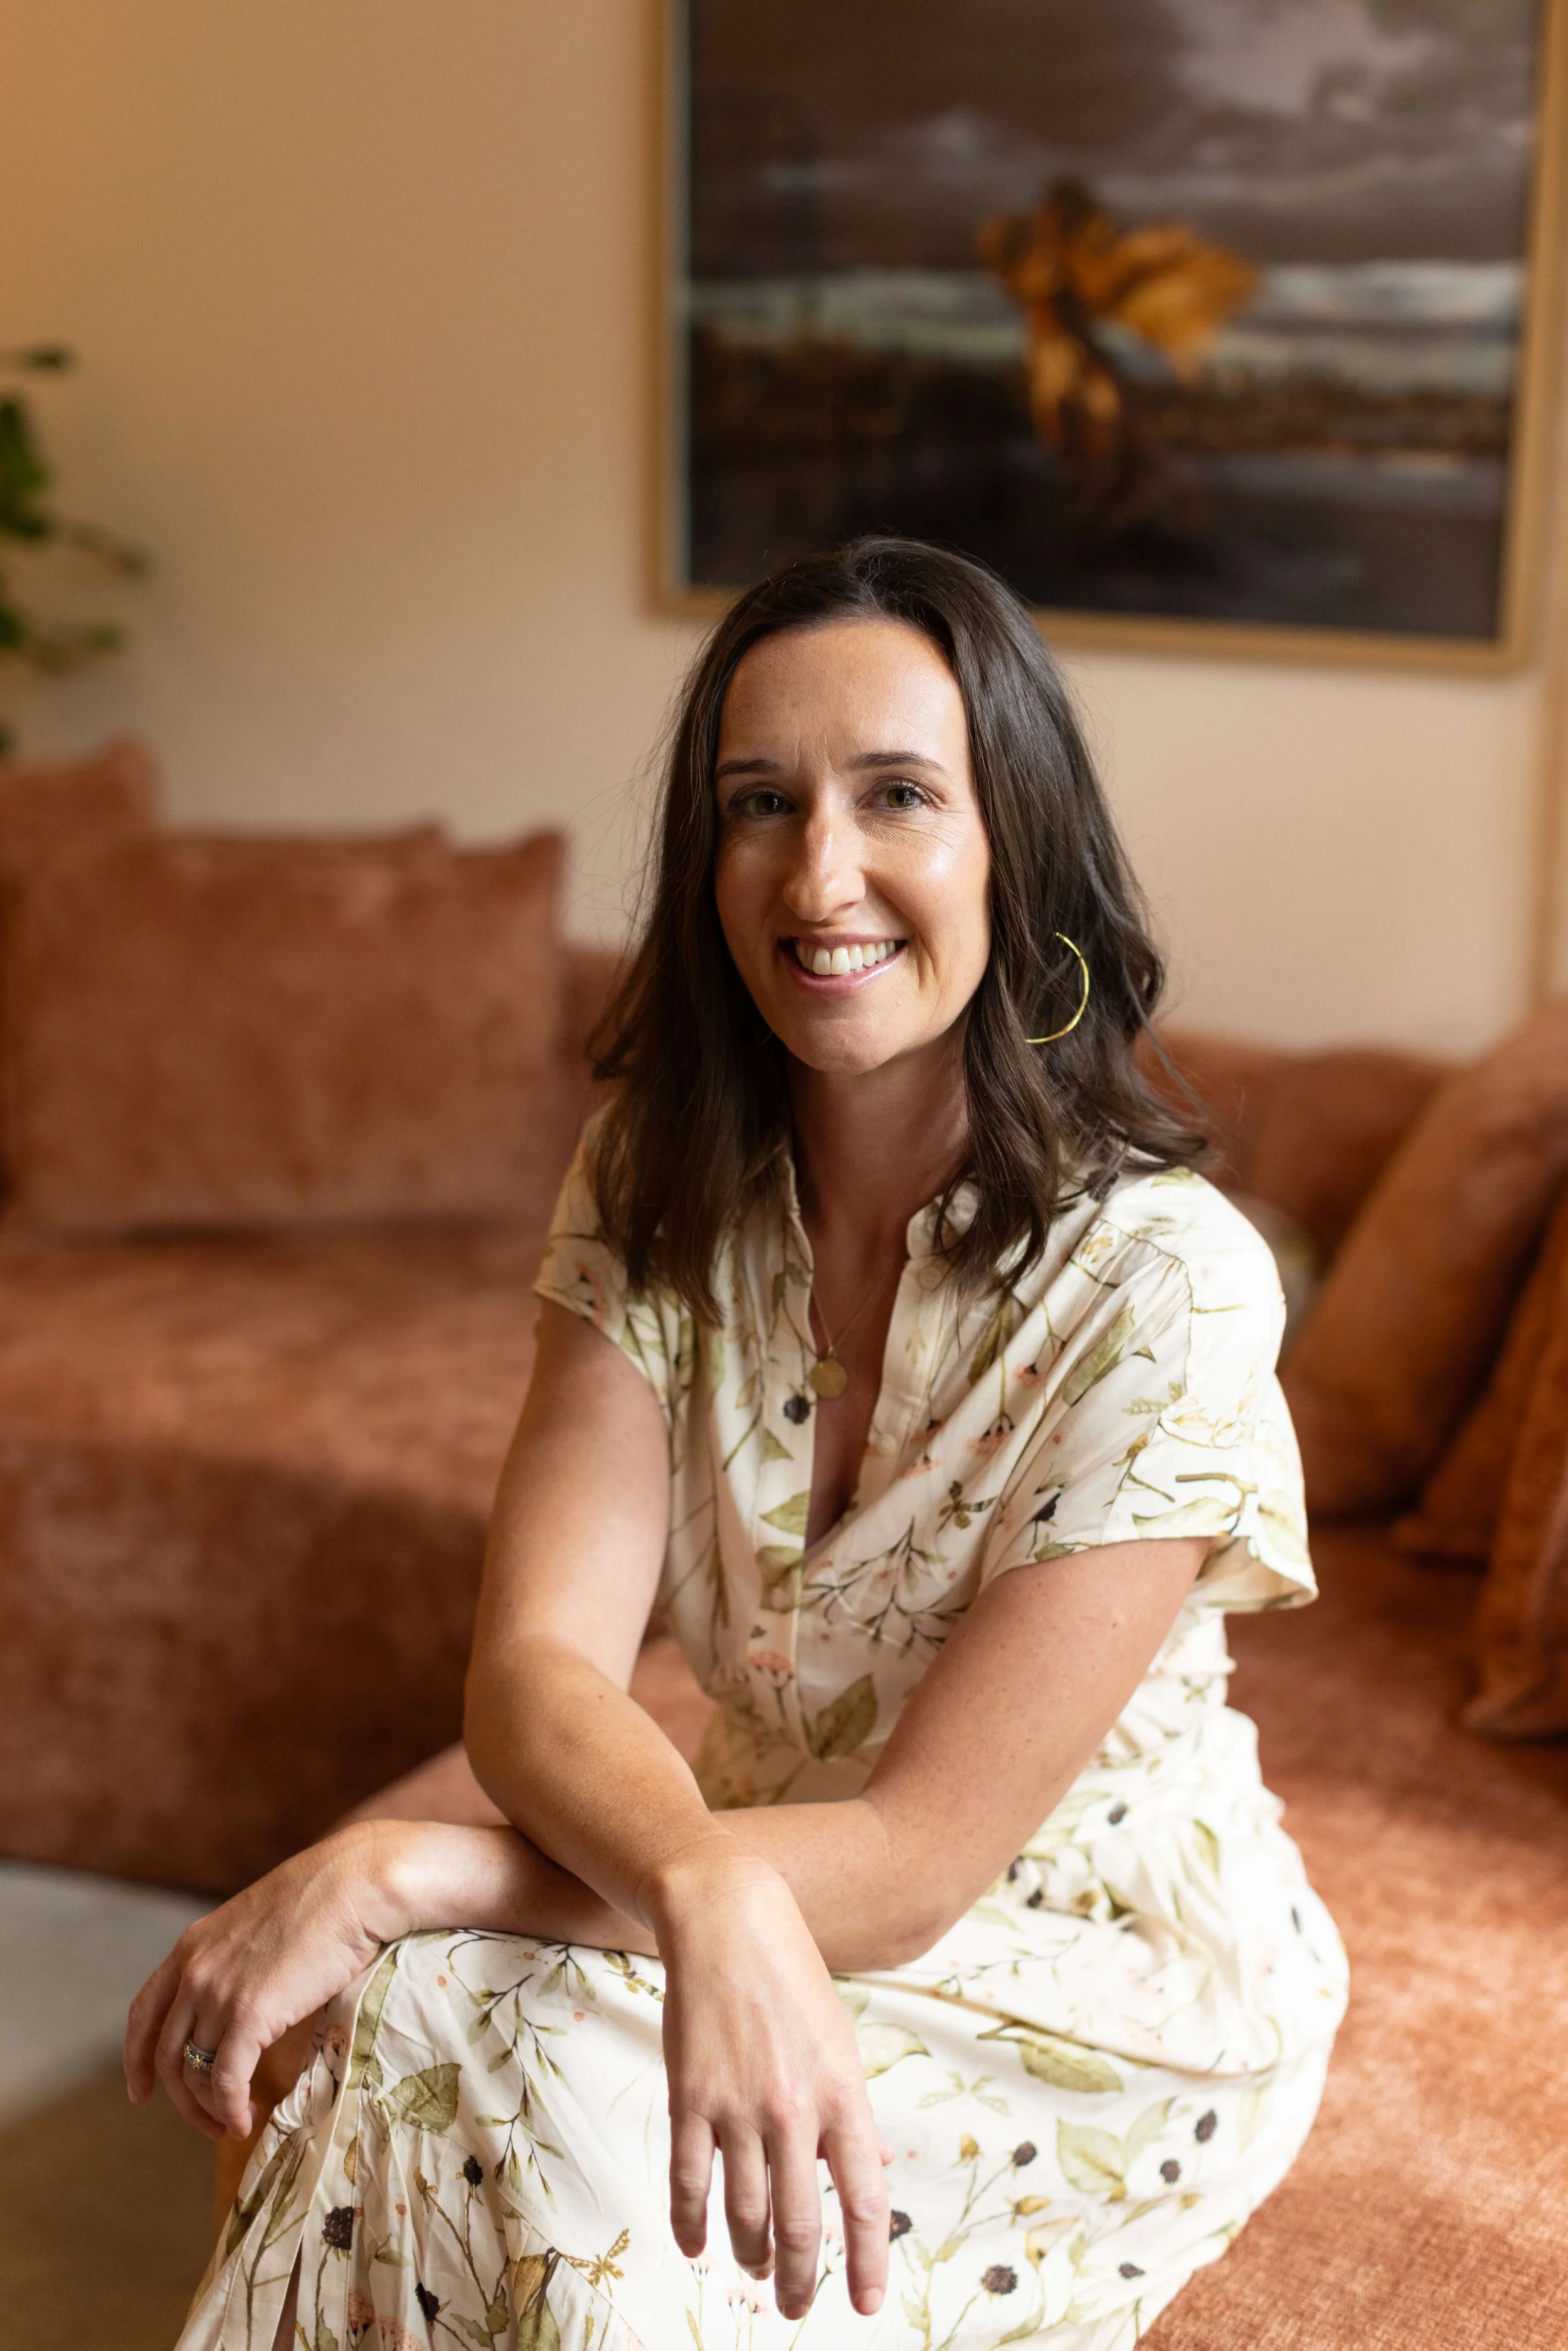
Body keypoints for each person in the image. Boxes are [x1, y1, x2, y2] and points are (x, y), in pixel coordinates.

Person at [127, 536, 1347, 2351]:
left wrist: (409, 1864)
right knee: (432, 2036)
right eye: (757, 803)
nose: (817, 872)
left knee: (473, 2027)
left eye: (897, 797)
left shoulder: (1167, 1285)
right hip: (758, 1854)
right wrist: (698, 1874)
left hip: (1080, 1974)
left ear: (1018, 848)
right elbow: (536, 1667)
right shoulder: (653, 1181)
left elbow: (928, 1855)